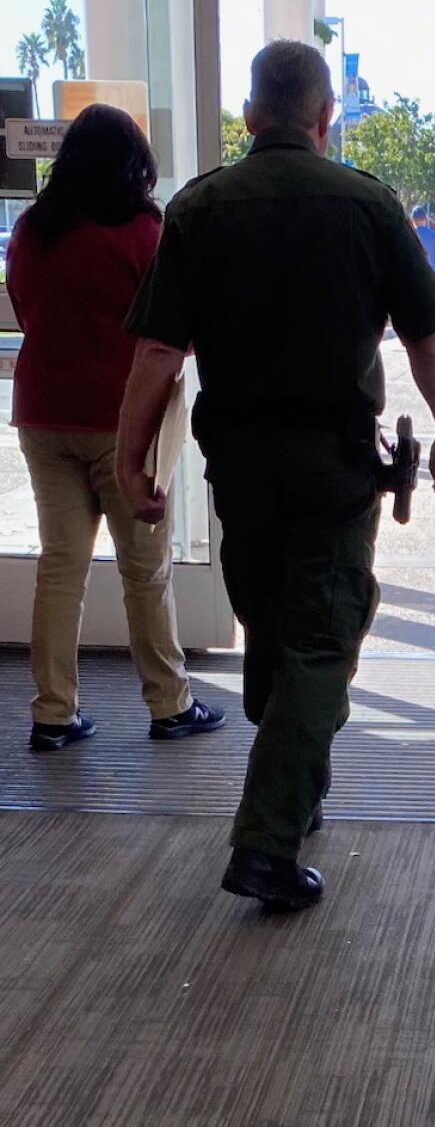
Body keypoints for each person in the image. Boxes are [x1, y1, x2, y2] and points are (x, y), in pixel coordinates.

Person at [117, 42, 435, 912]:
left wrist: (129, 455)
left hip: (239, 465)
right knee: (320, 641)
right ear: (324, 119)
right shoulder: (369, 206)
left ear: (248, 118)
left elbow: (160, 351)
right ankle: (267, 840)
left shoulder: (198, 209)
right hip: (335, 465)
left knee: (274, 623)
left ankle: (292, 785)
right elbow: (427, 337)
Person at [6, 104, 225, 751]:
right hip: (121, 424)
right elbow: (172, 335)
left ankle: (52, 713)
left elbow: (23, 310)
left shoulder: (32, 231)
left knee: (60, 567)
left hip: (43, 414)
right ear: (136, 165)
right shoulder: (143, 236)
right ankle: (168, 703)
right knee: (144, 569)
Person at [411, 204, 435, 284]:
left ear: (413, 220)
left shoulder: (409, 235)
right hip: (430, 280)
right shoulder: (433, 235)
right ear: (425, 219)